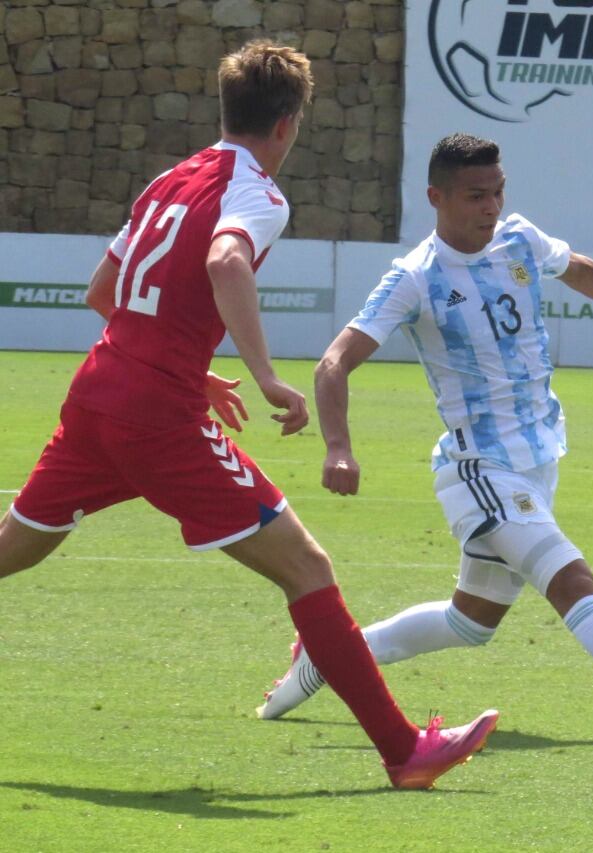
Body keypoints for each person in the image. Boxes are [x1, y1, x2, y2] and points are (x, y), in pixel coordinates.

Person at [0, 41, 496, 789]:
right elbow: (227, 260)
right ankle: (405, 751)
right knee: (307, 567)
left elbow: (104, 293)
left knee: (17, 546)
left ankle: (403, 748)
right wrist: (263, 374)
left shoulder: (172, 177)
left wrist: (192, 367)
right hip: (159, 418)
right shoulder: (256, 193)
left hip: (98, 392)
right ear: (288, 123)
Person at [256, 133, 593, 748]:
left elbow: (579, 268)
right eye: (477, 195)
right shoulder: (415, 277)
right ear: (437, 197)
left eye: (498, 192)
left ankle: (323, 654)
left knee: (470, 622)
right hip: (479, 468)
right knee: (575, 584)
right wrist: (338, 446)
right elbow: (334, 363)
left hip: (537, 461)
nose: (491, 206)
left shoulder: (519, 237)